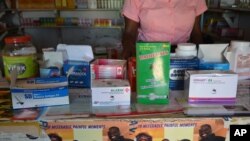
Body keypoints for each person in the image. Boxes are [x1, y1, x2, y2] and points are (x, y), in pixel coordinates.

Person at [121, 0, 208, 59]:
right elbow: (130, 32)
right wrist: (129, 55)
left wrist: (203, 58)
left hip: (184, 57)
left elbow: (196, 33)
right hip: (149, 57)